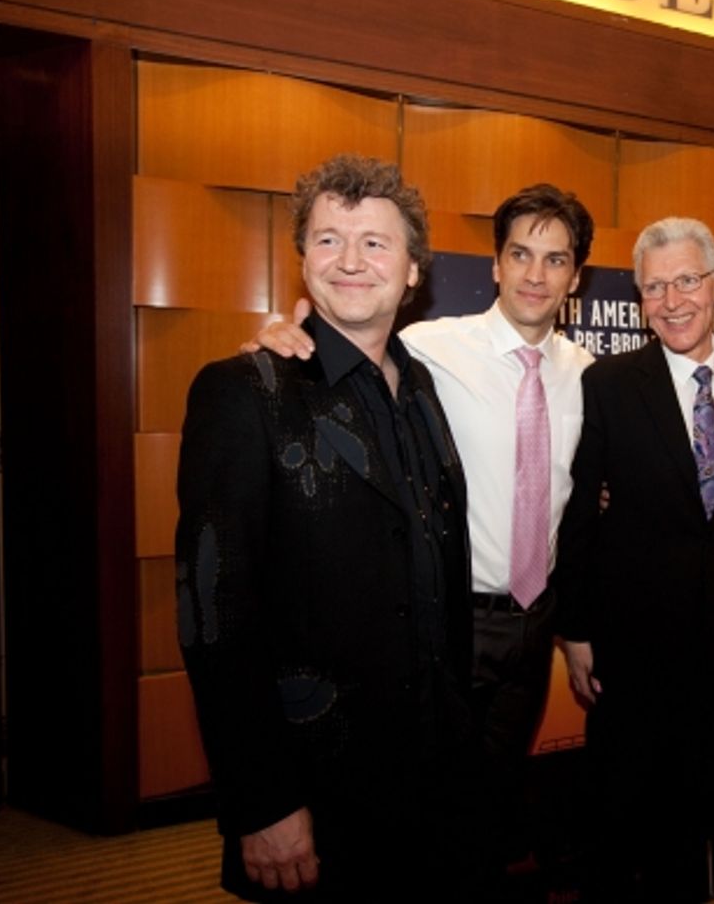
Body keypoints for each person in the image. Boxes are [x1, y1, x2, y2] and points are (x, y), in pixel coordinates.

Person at [251, 183, 597, 892]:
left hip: (537, 624)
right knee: (425, 811)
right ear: (495, 264)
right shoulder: (426, 347)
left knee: (493, 804)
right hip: (447, 623)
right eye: (520, 255)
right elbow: (339, 346)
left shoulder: (590, 375)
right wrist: (281, 337)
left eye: (554, 260)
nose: (535, 274)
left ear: (576, 276)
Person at [175, 154, 478, 901]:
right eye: (328, 240)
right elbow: (213, 614)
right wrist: (261, 800)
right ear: (302, 259)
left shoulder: (424, 388)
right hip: (315, 788)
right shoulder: (244, 391)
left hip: (431, 774)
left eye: (375, 242)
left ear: (413, 271)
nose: (350, 260)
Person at [554, 217, 714, 903]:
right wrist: (577, 631)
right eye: (655, 286)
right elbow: (578, 514)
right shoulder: (609, 384)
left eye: (687, 280)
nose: (673, 299)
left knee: (693, 819)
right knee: (617, 825)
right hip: (630, 651)